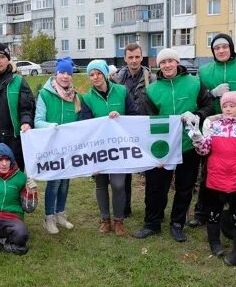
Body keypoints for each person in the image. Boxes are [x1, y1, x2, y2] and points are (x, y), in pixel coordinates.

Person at [134, 48, 212, 242]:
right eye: (163, 62)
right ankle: (152, 223)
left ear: (177, 63)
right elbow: (146, 121)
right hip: (161, 147)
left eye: (170, 61)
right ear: (158, 66)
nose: (167, 65)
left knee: (185, 187)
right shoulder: (152, 90)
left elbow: (208, 105)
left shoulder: (194, 83)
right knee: (155, 187)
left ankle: (177, 223)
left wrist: (198, 115)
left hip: (188, 145)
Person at [188, 33, 236, 228]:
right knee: (207, 172)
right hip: (213, 128)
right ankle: (202, 213)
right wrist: (212, 93)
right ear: (213, 51)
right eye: (217, 48)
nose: (221, 50)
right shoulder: (204, 71)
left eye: (225, 46)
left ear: (231, 48)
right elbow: (199, 98)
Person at [189, 91, 236, 266]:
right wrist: (198, 138)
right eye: (225, 106)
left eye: (232, 106)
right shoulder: (214, 126)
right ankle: (214, 243)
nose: (228, 109)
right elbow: (205, 150)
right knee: (213, 213)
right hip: (215, 178)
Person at [80, 59, 137, 236]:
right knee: (101, 183)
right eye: (91, 74)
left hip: (119, 147)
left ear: (105, 74)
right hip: (98, 148)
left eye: (98, 73)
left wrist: (120, 117)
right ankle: (105, 220)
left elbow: (134, 114)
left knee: (119, 184)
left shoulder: (121, 91)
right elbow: (85, 124)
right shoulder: (87, 98)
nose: (95, 77)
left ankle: (118, 220)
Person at [34, 57, 81, 234]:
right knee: (54, 183)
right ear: (56, 73)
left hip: (68, 147)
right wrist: (49, 126)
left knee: (65, 182)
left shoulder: (75, 96)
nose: (65, 76)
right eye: (62, 72)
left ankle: (61, 213)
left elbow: (79, 121)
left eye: (69, 73)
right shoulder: (45, 94)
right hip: (51, 146)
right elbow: (38, 120)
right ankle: (49, 217)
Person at [113, 43, 152, 218]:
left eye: (137, 57)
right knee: (124, 172)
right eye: (130, 57)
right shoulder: (117, 79)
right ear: (125, 59)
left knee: (149, 169)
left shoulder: (151, 78)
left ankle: (149, 208)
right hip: (123, 131)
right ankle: (125, 207)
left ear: (141, 57)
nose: (134, 60)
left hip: (144, 129)